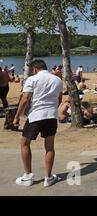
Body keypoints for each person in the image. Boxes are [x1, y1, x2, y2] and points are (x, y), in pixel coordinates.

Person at [13, 59, 63, 187]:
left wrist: (17, 116)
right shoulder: (57, 80)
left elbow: (25, 100)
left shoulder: (32, 79)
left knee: (24, 143)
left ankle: (28, 176)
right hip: (51, 116)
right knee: (50, 147)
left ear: (35, 69)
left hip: (36, 115)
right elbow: (59, 98)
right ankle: (48, 177)